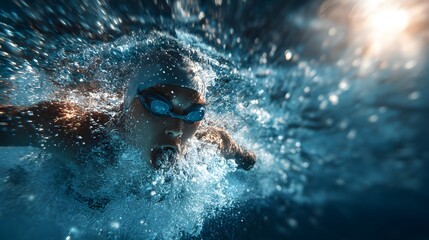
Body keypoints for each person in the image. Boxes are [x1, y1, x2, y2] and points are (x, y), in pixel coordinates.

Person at [0, 48, 256, 173]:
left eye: (193, 114)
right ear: (128, 104)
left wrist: (245, 158)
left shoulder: (201, 144)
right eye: (159, 107)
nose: (176, 128)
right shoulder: (78, 134)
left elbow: (225, 142)